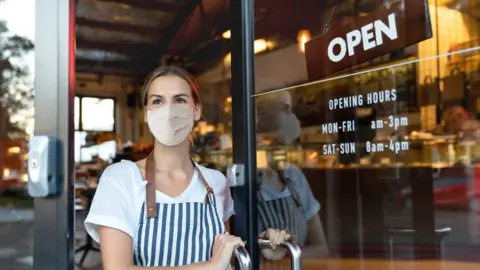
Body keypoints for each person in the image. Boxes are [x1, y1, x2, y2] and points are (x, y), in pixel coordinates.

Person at [84, 65, 288, 269]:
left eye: (180, 100)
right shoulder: (121, 178)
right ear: (146, 114)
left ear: (197, 110)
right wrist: (209, 267)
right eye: (158, 101)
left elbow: (227, 256)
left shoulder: (215, 182)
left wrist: (265, 245)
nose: (169, 111)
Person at [256, 91, 329, 261]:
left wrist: (286, 257)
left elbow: (321, 249)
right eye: (285, 109)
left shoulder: (294, 176)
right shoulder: (240, 182)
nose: (292, 118)